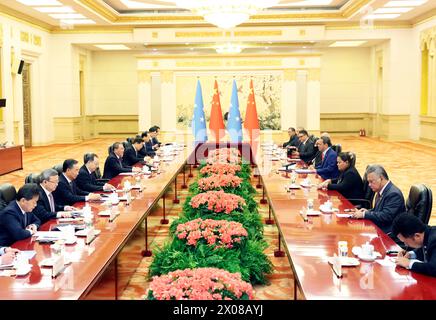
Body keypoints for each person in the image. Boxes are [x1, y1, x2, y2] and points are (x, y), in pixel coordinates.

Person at [351, 164, 406, 234]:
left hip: (389, 233)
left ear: (381, 178)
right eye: (368, 182)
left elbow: (386, 216)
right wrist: (367, 211)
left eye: (371, 181)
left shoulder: (393, 194)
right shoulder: (381, 191)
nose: (369, 185)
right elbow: (379, 210)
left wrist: (364, 214)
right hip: (379, 228)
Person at [392, 213, 436, 277]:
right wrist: (411, 254)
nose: (405, 244)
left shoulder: (434, 240)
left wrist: (409, 263)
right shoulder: (427, 233)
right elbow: (428, 250)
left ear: (417, 236)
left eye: (405, 242)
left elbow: (434, 268)